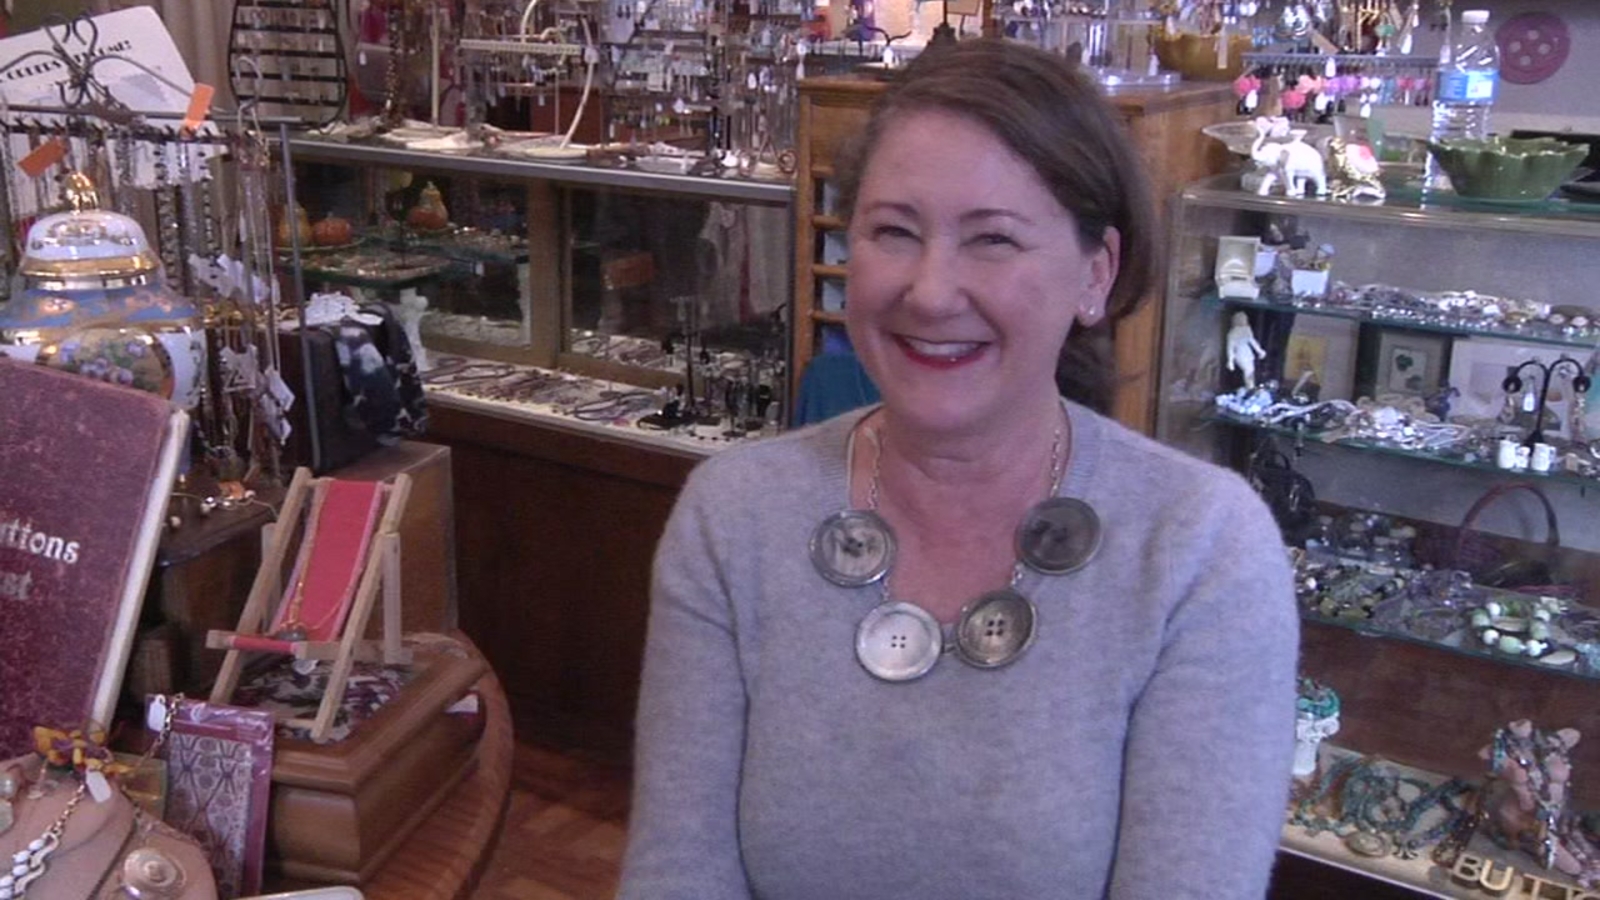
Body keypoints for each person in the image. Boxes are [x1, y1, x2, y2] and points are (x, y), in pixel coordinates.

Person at [618, 38, 1298, 900]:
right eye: (894, 231)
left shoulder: (1201, 549)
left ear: (1096, 274)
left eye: (993, 240)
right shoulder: (735, 515)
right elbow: (678, 875)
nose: (932, 292)